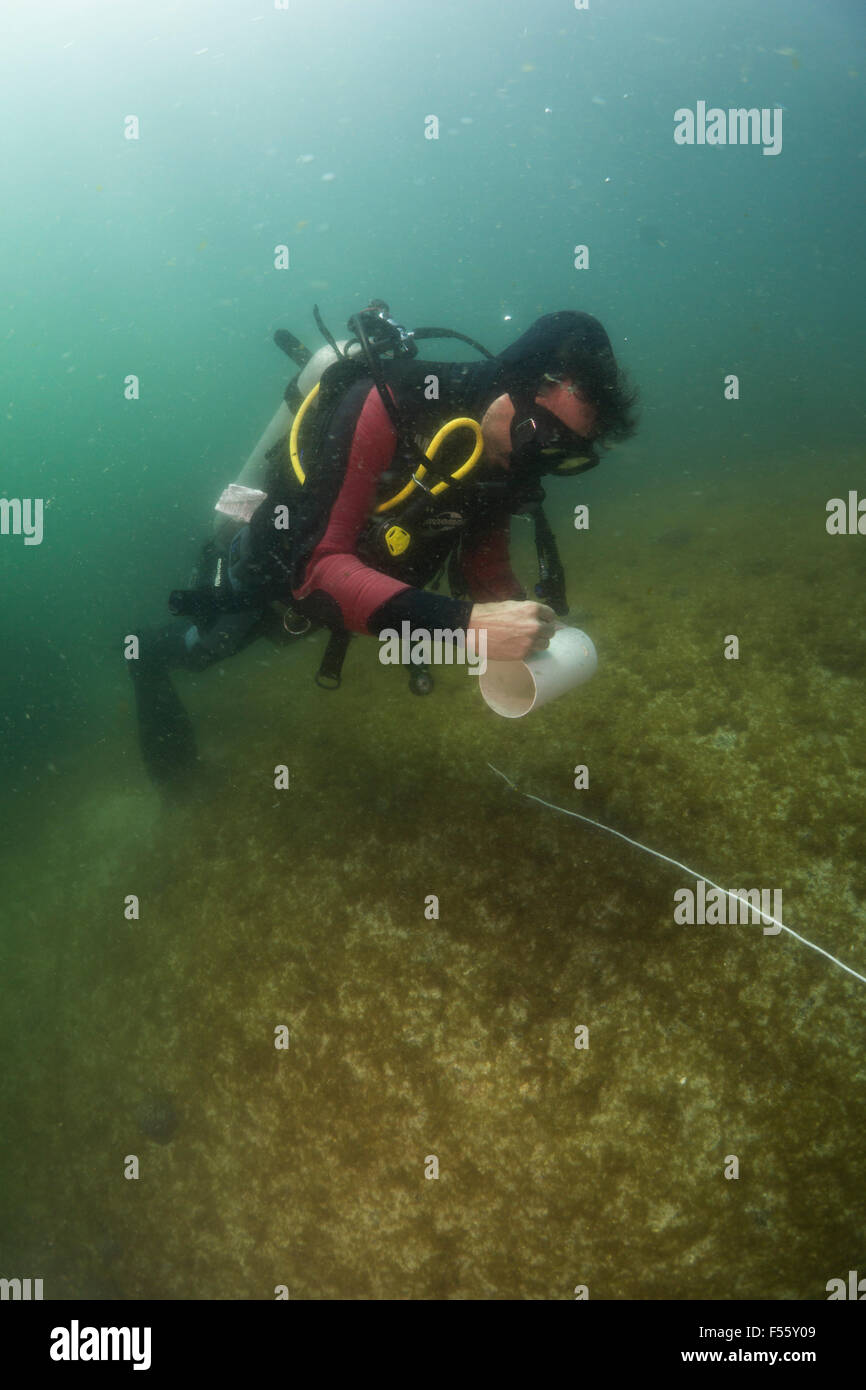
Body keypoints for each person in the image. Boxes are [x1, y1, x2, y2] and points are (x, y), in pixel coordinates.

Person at [128, 302, 638, 792]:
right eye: (541, 437)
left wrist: (528, 624)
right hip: (281, 570)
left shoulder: (503, 455)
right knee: (210, 646)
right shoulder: (388, 404)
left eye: (564, 457)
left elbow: (485, 563)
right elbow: (316, 569)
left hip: (368, 599)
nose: (536, 463)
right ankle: (145, 653)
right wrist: (467, 627)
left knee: (285, 637)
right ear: (512, 382)